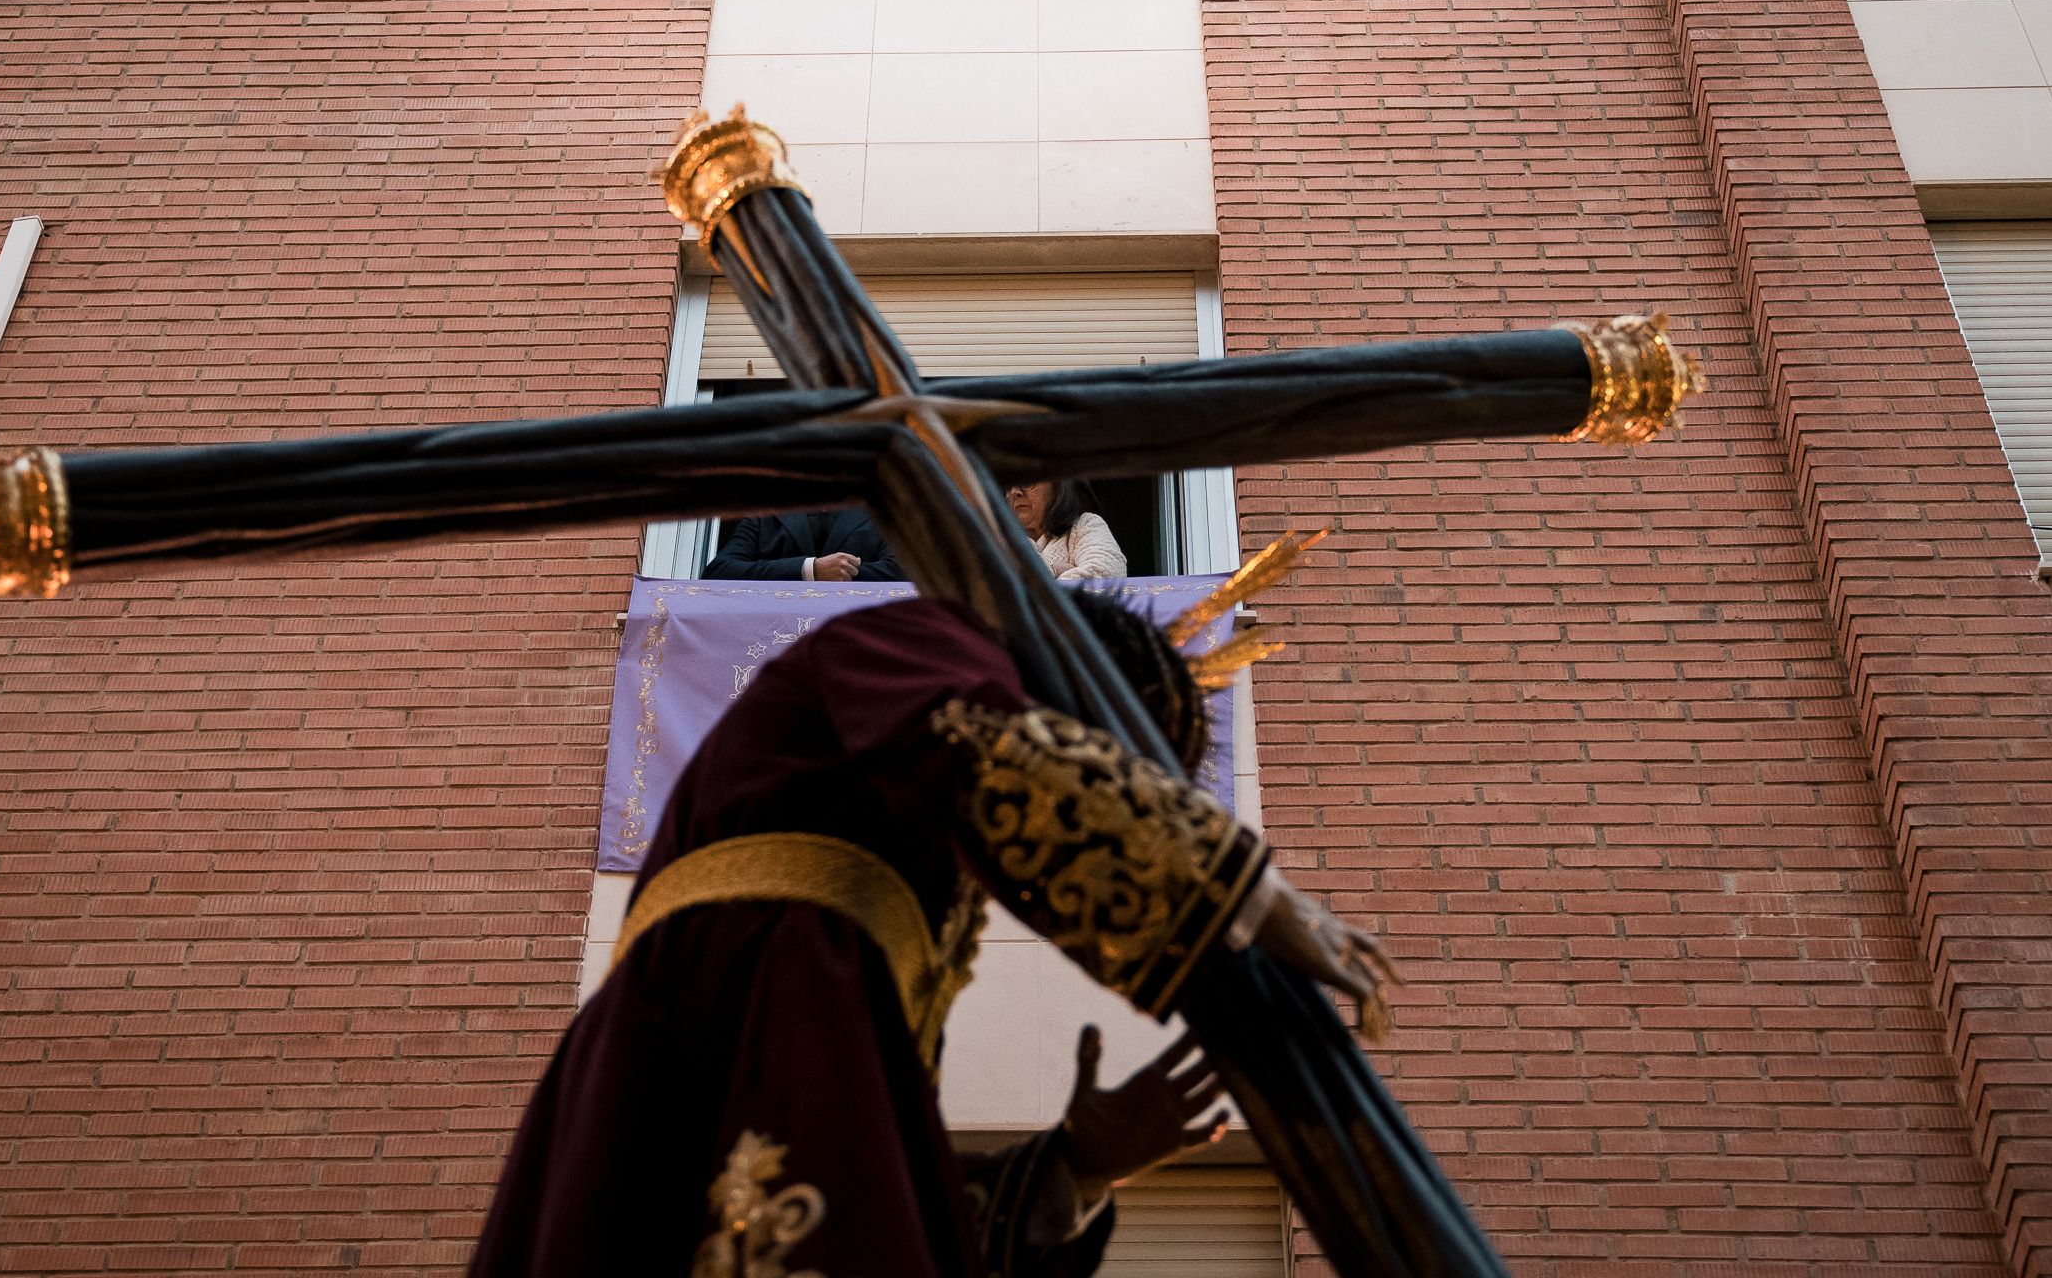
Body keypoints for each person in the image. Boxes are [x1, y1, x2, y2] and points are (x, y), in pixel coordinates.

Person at [465, 594, 1395, 1277]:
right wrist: (1243, 894)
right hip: (735, 1007)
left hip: (775, 1035)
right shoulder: (919, 642)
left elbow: (878, 1183)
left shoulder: (928, 877)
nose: (1115, 787)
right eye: (1116, 760)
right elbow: (983, 737)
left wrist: (1072, 1171)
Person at [704, 506, 903, 581]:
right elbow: (719, 571)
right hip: (775, 632)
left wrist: (841, 571)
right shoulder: (765, 516)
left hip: (856, 632)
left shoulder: (879, 517)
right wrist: (810, 570)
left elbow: (903, 572)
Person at [1008, 480, 1125, 582]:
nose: (1014, 491)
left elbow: (1105, 576)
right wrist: (1054, 568)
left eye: (1027, 481)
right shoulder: (1002, 538)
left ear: (1057, 486)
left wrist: (1034, 574)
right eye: (1007, 485)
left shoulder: (1085, 525)